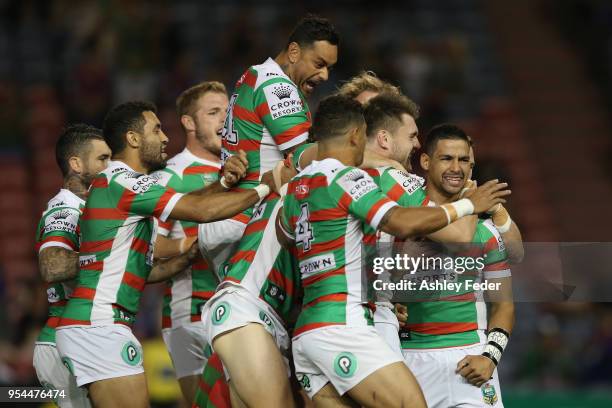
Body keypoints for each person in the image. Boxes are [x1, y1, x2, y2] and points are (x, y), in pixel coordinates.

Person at [277, 95, 510, 407]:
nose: (415, 145)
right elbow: (403, 222)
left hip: (307, 330)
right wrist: (470, 203)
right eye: (413, 136)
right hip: (347, 322)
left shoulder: (298, 185)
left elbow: (286, 236)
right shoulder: (356, 178)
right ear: (357, 136)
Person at [55, 101, 277, 408]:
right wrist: (268, 187)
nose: (164, 138)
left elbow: (185, 205)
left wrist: (223, 184)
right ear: (133, 139)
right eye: (156, 129)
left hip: (98, 324)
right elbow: (200, 210)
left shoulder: (122, 186)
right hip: (99, 326)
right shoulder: (123, 181)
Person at [200, 15, 339, 408]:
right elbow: (303, 159)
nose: (324, 75)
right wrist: (349, 146)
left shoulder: (253, 77)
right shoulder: (278, 86)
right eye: (319, 63)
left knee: (249, 362)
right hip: (248, 222)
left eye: (329, 67)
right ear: (293, 51)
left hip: (237, 218)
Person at [400, 124, 515, 407]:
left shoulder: (486, 231)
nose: (456, 168)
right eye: (447, 158)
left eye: (464, 160)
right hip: (408, 359)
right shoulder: (401, 216)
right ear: (425, 161)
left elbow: (504, 304)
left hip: (470, 359)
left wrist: (490, 356)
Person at [152, 81, 230, 405]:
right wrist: (189, 246)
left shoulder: (247, 172)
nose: (224, 121)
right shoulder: (169, 176)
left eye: (228, 112)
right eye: (213, 113)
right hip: (192, 315)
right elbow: (149, 247)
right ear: (188, 122)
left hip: (244, 313)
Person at [33, 124, 111, 407]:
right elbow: (52, 266)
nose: (110, 165)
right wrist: (112, 254)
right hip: (64, 339)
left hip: (82, 336)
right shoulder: (65, 208)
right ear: (76, 164)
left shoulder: (91, 209)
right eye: (103, 159)